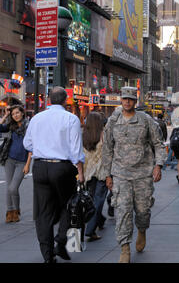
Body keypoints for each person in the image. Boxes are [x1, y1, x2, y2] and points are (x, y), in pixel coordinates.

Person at [102, 87, 166, 263]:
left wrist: (158, 165)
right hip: (120, 174)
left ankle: (142, 230)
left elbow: (159, 144)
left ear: (135, 102)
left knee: (143, 210)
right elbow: (107, 149)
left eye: (131, 99)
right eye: (125, 99)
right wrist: (107, 175)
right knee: (122, 211)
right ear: (121, 100)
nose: (127, 102)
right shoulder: (113, 121)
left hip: (143, 174)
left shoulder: (145, 121)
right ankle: (124, 248)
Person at [23, 87, 85, 263]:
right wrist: (80, 172)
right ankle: (63, 241)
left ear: (49, 100)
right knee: (70, 204)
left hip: (40, 166)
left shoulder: (36, 118)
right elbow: (76, 150)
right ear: (66, 100)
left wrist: (43, 148)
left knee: (43, 212)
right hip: (62, 167)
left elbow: (27, 143)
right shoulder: (71, 118)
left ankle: (47, 255)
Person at [0, 105, 32, 223]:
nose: (15, 115)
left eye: (17, 113)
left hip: (22, 161)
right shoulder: (11, 126)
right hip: (10, 159)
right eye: (13, 114)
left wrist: (28, 164)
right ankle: (10, 213)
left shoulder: (29, 127)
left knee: (13, 187)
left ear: (22, 113)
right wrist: (6, 115)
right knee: (9, 188)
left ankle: (16, 209)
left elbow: (31, 147)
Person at [83, 112, 108, 241]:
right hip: (102, 171)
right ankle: (90, 229)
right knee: (99, 200)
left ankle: (100, 220)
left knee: (92, 199)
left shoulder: (84, 135)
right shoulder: (103, 134)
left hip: (88, 172)